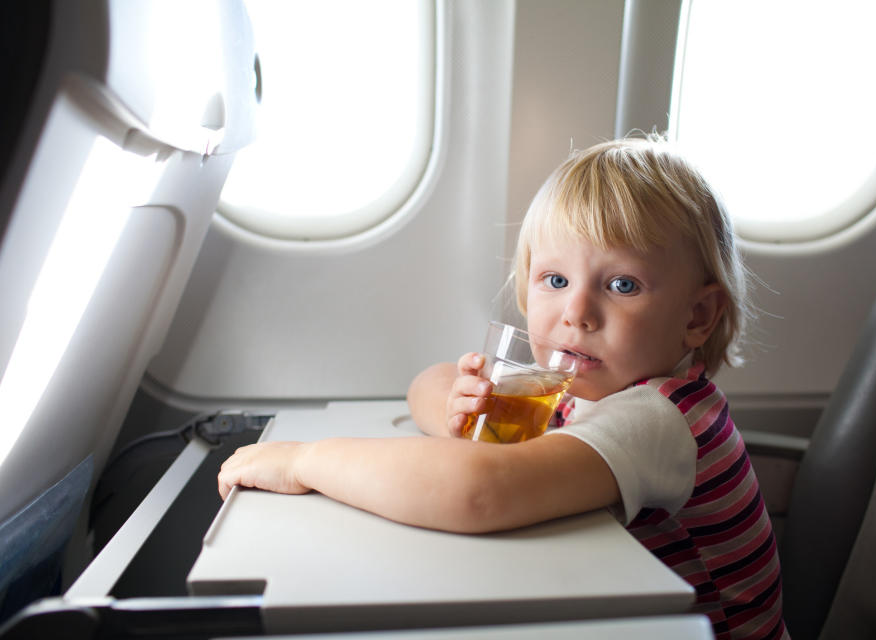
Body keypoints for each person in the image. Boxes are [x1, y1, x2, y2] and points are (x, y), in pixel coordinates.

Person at [218, 136, 789, 640]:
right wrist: (457, 407)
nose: (578, 312)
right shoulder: (579, 382)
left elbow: (478, 493)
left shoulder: (659, 416)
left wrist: (305, 462)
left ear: (697, 315)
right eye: (556, 280)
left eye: (622, 284)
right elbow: (427, 382)